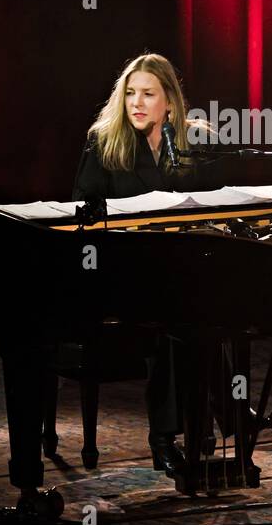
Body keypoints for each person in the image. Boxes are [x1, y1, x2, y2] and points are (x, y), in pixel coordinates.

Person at [72, 52, 202, 475]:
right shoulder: (104, 141)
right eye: (130, 93)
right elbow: (83, 214)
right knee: (170, 321)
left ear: (170, 101)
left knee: (216, 310)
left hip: (178, 268)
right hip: (117, 272)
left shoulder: (189, 143)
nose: (137, 102)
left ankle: (223, 415)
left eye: (148, 93)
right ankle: (164, 438)